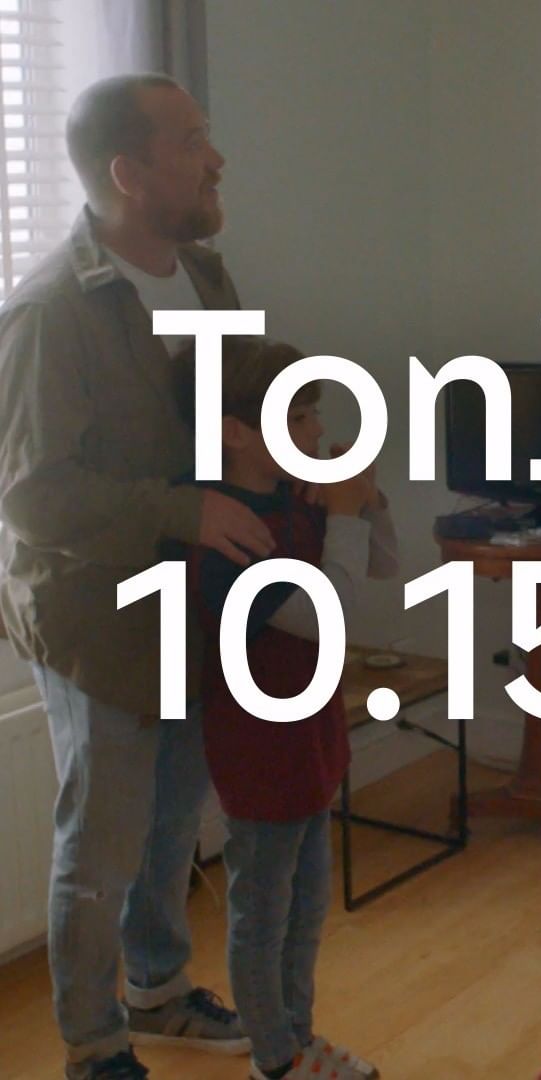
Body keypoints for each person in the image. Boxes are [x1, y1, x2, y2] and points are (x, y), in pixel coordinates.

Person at [0, 74, 277, 1079]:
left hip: (193, 604)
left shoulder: (204, 274)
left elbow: (227, 400)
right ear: (129, 172)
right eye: (193, 139)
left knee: (170, 823)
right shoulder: (47, 313)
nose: (216, 159)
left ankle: (157, 992)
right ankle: (93, 1045)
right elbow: (35, 499)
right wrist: (185, 510)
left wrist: (287, 442)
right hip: (96, 620)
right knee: (103, 844)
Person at [181, 335, 397, 1080]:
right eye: (297, 416)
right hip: (260, 749)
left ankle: (299, 1039)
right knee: (263, 915)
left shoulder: (294, 502)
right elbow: (330, 614)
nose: (314, 431)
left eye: (313, 414)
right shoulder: (228, 535)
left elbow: (383, 567)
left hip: (311, 735)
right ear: (237, 431)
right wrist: (344, 514)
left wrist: (365, 499)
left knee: (307, 908)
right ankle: (274, 1058)